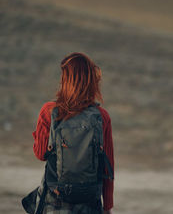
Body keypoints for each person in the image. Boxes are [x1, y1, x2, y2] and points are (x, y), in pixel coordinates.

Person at [32, 52, 114, 214]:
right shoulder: (102, 116)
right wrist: (108, 206)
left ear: (65, 80)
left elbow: (40, 154)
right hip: (90, 202)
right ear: (91, 81)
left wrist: (39, 134)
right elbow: (107, 167)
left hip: (55, 201)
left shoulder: (48, 111)